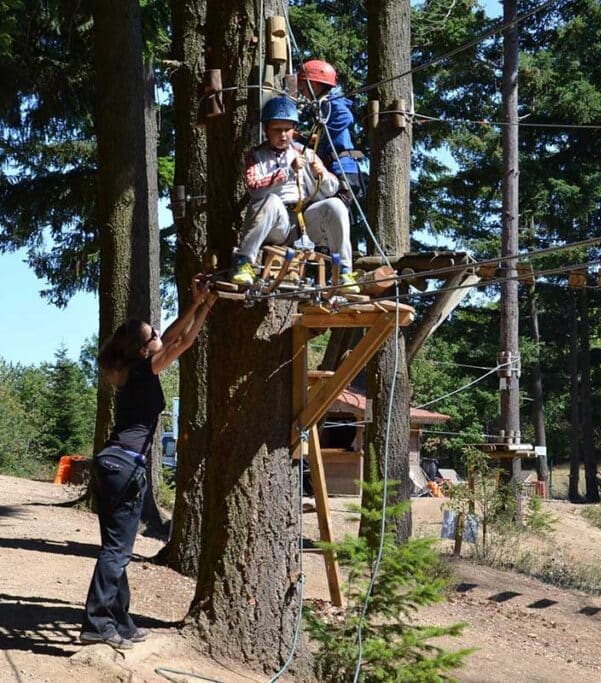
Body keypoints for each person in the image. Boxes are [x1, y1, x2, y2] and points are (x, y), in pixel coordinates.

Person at [80, 275, 216, 651]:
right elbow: (184, 340)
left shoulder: (134, 367)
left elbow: (171, 334)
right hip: (125, 466)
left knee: (115, 547)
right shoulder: (144, 369)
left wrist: (194, 301)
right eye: (152, 332)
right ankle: (95, 622)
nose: (160, 332)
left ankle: (120, 620)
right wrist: (206, 307)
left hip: (112, 463)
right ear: (144, 349)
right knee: (117, 551)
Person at [231, 95, 358, 293]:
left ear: (294, 129)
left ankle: (343, 271)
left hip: (304, 224)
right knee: (271, 200)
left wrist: (321, 175)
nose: (283, 135)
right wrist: (287, 172)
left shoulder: (305, 152)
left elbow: (331, 189)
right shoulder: (256, 156)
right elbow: (254, 186)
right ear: (266, 130)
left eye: (287, 129)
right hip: (277, 224)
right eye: (277, 130)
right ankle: (243, 261)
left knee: (336, 205)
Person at [298, 60, 367, 210]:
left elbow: (345, 117)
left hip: (341, 169)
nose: (302, 92)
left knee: (334, 215)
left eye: (303, 88)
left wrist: (322, 135)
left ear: (314, 85)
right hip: (337, 168)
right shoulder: (322, 107)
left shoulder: (329, 102)